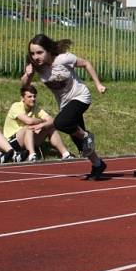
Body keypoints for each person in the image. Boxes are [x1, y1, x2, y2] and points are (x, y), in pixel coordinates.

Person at [22, 35, 107, 179]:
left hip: (80, 97)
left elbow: (86, 63)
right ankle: (98, 164)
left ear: (48, 50)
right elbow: (24, 86)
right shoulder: (37, 67)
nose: (35, 57)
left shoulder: (63, 59)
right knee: (79, 142)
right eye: (32, 53)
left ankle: (86, 135)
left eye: (39, 52)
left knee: (61, 123)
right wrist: (28, 75)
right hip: (65, 104)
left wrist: (98, 84)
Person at [3, 85, 73, 162]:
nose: (33, 99)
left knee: (50, 127)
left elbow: (52, 120)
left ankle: (65, 154)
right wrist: (42, 121)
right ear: (22, 98)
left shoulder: (35, 108)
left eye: (34, 96)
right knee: (29, 127)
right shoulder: (16, 106)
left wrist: (42, 125)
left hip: (28, 137)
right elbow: (29, 121)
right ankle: (32, 156)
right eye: (29, 96)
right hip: (12, 142)